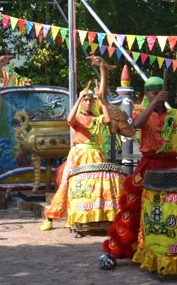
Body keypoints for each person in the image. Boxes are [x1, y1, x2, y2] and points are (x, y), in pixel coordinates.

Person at [99, 76, 177, 269]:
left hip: (170, 165)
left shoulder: (173, 114)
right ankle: (114, 250)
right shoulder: (142, 111)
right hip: (149, 164)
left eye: (159, 92)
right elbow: (137, 125)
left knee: (174, 208)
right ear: (146, 94)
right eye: (152, 92)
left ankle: (169, 248)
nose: (156, 95)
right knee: (134, 209)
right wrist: (154, 104)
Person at [42, 87, 121, 231]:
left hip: (95, 155)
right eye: (85, 100)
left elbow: (108, 119)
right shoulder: (77, 118)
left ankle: (95, 217)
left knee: (99, 186)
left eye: (90, 100)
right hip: (79, 155)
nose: (88, 103)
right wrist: (79, 98)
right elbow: (69, 119)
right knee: (67, 185)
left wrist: (101, 99)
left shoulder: (96, 119)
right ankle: (50, 217)